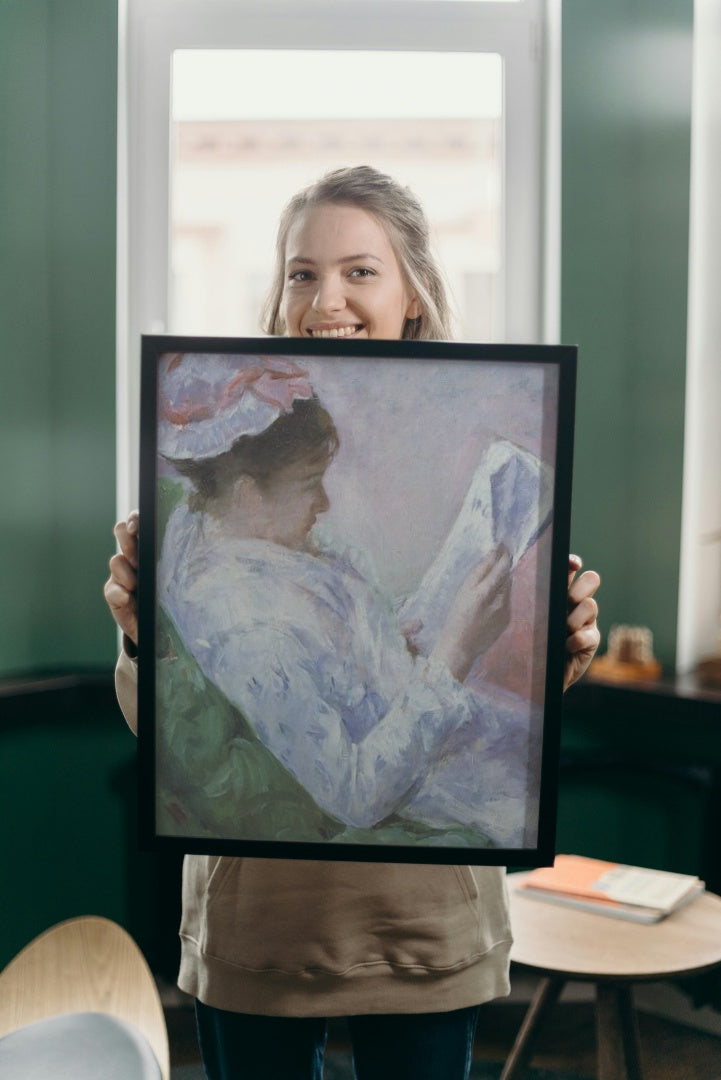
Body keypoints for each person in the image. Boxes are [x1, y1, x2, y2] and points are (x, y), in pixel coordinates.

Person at [105, 165, 601, 1080]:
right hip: (267, 927)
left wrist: (546, 646)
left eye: (359, 271)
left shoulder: (292, 527)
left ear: (413, 292)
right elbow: (181, 737)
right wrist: (141, 638)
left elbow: (367, 670)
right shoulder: (206, 554)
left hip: (422, 921)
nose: (324, 297)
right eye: (301, 272)